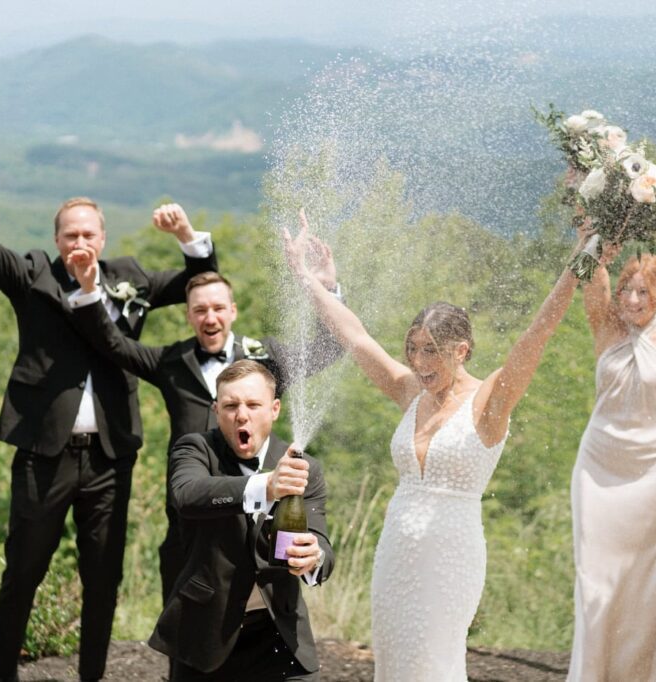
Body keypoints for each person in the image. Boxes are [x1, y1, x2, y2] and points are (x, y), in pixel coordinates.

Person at [0, 127, 217, 682]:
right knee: (23, 569)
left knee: (105, 577)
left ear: (103, 237)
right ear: (57, 240)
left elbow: (204, 282)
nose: (80, 241)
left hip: (109, 458)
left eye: (88, 233)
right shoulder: (32, 275)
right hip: (42, 454)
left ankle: (93, 677)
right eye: (70, 233)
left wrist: (187, 233)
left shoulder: (131, 281)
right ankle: (1, 674)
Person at [283, 208, 585, 681]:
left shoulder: (489, 401)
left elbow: (537, 335)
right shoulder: (410, 392)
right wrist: (308, 280)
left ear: (461, 350)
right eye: (413, 349)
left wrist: (582, 256)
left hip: (451, 553)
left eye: (432, 351)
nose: (419, 362)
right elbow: (357, 337)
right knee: (395, 662)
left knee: (434, 663)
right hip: (396, 550)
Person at [67, 250, 343, 606]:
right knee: (183, 643)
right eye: (200, 310)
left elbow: (328, 347)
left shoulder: (266, 359)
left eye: (217, 308)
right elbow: (113, 344)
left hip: (258, 534)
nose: (209, 317)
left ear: (232, 311)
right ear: (189, 316)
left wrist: (327, 288)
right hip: (189, 525)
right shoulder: (171, 362)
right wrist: (90, 291)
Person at [148, 360, 333, 681]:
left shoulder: (304, 468)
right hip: (207, 633)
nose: (241, 415)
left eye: (253, 404)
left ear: (274, 409)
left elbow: (323, 548)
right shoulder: (195, 449)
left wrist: (313, 557)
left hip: (280, 633)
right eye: (231, 405)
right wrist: (266, 485)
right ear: (216, 410)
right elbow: (188, 495)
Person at [568, 242, 656, 681]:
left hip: (654, 475)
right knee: (594, 583)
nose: (632, 300)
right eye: (626, 290)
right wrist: (593, 236)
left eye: (643, 292)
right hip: (598, 468)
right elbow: (591, 275)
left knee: (645, 589)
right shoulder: (606, 327)